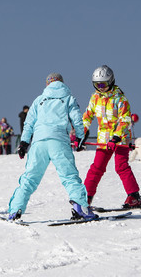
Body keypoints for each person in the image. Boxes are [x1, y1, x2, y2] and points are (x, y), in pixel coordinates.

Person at [7, 73, 95, 221]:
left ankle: (15, 210)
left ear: (47, 84)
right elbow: (77, 118)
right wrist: (80, 137)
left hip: (39, 143)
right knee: (69, 176)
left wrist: (23, 143)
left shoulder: (39, 100)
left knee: (30, 178)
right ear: (62, 83)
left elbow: (29, 123)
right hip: (59, 141)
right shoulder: (68, 98)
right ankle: (81, 208)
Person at [80, 65, 141, 208]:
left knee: (121, 166)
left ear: (110, 81)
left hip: (120, 138)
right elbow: (87, 116)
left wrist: (116, 137)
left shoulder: (120, 99)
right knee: (96, 168)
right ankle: (85, 198)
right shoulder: (95, 98)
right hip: (103, 139)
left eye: (103, 84)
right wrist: (82, 133)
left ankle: (134, 196)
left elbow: (125, 119)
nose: (100, 87)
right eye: (97, 85)